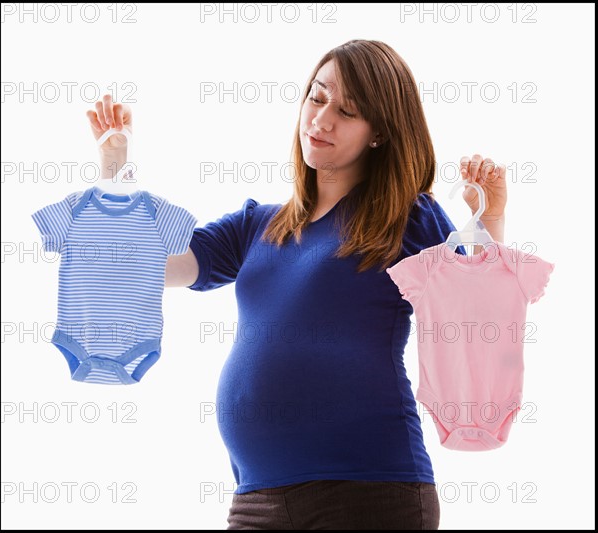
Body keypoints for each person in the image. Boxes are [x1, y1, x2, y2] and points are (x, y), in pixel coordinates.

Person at [88, 39, 507, 530]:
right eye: (317, 96)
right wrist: (114, 170)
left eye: (347, 110)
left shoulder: (406, 218)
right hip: (256, 500)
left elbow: (480, 315)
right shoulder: (256, 226)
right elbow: (152, 266)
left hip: (367, 491)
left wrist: (490, 218)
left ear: (378, 134)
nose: (322, 119)